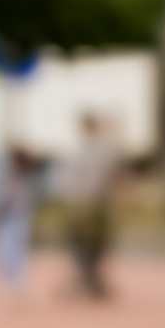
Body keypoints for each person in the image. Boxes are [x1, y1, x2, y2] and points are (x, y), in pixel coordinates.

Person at [55, 112, 121, 301]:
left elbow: (65, 180)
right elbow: (112, 176)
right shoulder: (98, 150)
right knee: (91, 245)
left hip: (84, 203)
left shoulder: (76, 150)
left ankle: (88, 280)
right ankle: (89, 281)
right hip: (93, 203)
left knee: (86, 245)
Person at [0, 143, 39, 296]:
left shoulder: (22, 176)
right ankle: (8, 281)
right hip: (5, 215)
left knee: (14, 249)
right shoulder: (5, 173)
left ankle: (14, 281)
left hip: (16, 216)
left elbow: (22, 198)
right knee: (6, 250)